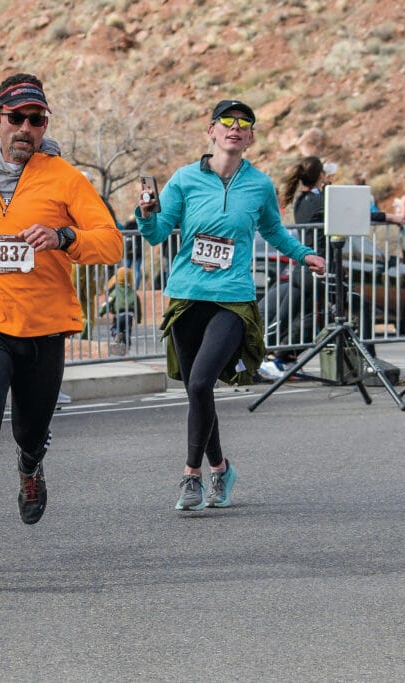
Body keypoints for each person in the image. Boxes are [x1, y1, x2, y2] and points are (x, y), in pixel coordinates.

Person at [0, 73, 123, 582]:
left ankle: (31, 466)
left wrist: (63, 236)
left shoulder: (65, 178)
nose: (25, 128)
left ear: (44, 126)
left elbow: (110, 242)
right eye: (15, 118)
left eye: (35, 120)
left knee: (29, 431)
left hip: (43, 328)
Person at [135, 100, 326, 511]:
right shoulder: (185, 179)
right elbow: (156, 234)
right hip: (187, 296)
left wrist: (304, 254)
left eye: (244, 124)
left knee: (202, 383)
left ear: (251, 136)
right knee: (196, 392)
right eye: (227, 121)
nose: (235, 128)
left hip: (233, 299)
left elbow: (274, 231)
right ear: (212, 131)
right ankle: (221, 469)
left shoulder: (258, 185)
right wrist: (147, 214)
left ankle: (191, 477)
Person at [258, 155, 397, 380]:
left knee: (296, 319)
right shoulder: (319, 200)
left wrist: (325, 183)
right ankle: (371, 364)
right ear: (320, 175)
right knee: (361, 308)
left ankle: (278, 359)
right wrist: (389, 216)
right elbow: (355, 211)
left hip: (304, 271)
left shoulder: (303, 199)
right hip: (319, 270)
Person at [97, 265, 140, 356]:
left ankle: (116, 334)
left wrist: (101, 313)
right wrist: (138, 318)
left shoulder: (115, 292)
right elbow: (138, 306)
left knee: (115, 328)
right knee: (127, 331)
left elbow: (107, 303)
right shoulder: (132, 292)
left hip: (118, 315)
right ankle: (126, 347)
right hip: (129, 316)